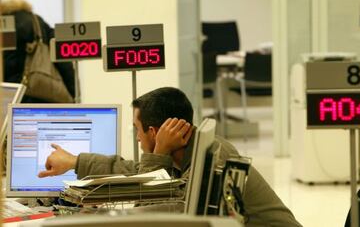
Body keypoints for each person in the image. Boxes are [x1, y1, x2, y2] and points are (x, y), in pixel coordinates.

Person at [38, 87, 302, 227]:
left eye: (138, 130)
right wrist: (75, 162)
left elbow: (166, 211)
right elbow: (133, 171)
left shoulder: (214, 160)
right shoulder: (192, 151)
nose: (138, 138)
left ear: (155, 132)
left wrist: (160, 153)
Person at [1, 0, 75, 102]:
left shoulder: (5, 24)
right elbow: (63, 60)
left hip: (11, 96)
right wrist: (72, 92)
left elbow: (7, 64)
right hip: (44, 91)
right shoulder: (37, 21)